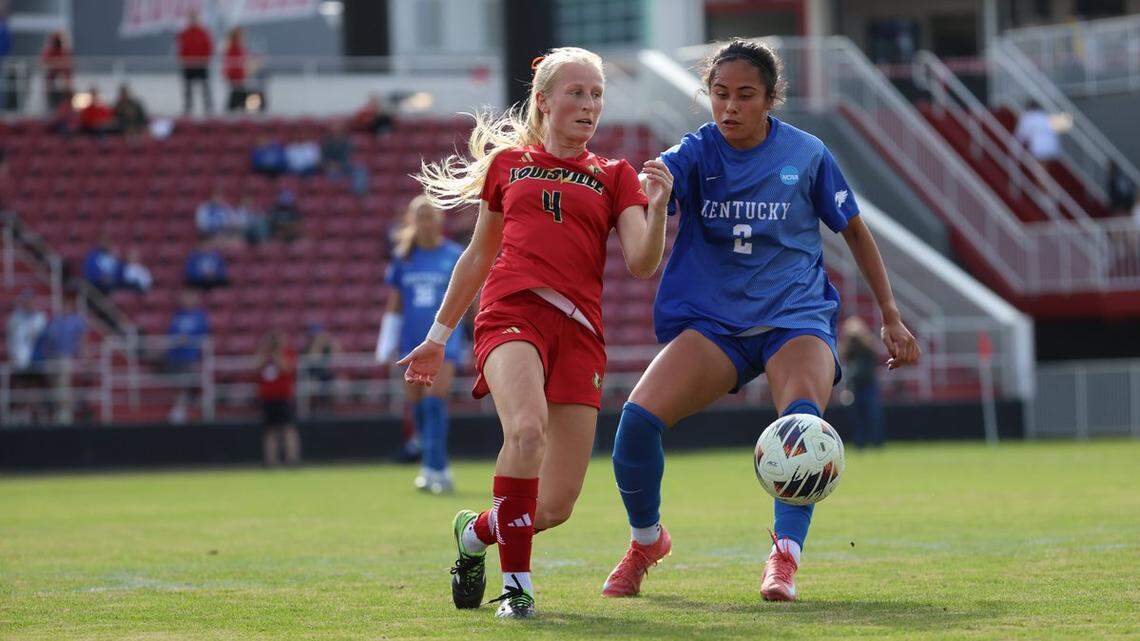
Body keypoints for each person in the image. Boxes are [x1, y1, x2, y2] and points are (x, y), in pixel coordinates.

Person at [598, 39, 921, 603]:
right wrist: (654, 199)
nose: (729, 107)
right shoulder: (692, 155)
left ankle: (784, 558)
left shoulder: (808, 154)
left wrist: (890, 315)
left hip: (793, 318)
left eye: (745, 95)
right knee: (636, 424)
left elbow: (856, 232)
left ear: (771, 98)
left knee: (801, 429)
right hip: (715, 325)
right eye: (720, 94)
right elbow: (646, 234)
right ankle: (645, 542)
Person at [399, 47, 670, 618]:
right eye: (577, 92)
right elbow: (477, 255)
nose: (589, 104)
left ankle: (473, 534)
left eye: (597, 95)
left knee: (553, 507)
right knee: (526, 431)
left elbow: (642, 263)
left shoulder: (617, 175)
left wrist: (661, 205)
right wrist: (438, 334)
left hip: (579, 332)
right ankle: (517, 590)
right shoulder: (508, 164)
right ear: (543, 101)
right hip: (510, 311)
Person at [376, 195, 467, 494]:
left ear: (439, 220)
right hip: (410, 341)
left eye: (430, 214)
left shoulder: (454, 255)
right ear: (412, 221)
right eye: (420, 215)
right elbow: (394, 305)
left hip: (444, 342)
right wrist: (385, 344)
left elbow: (470, 300)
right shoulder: (403, 260)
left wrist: (479, 336)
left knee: (435, 401)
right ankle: (429, 466)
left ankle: (439, 469)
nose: (426, 221)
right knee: (416, 407)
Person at [255, 329, 301, 467]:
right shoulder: (263, 354)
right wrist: (266, 354)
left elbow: (287, 369)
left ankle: (292, 460)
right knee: (270, 431)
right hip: (268, 397)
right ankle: (271, 461)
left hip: (284, 397)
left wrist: (276, 355)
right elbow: (256, 368)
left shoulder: (288, 352)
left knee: (288, 428)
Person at [164, 289, 209, 424]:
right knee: (177, 381)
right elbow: (171, 333)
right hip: (176, 354)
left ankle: (190, 406)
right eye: (186, 297)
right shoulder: (177, 315)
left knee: (188, 379)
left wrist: (189, 340)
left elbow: (203, 334)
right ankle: (179, 408)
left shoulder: (200, 316)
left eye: (191, 297)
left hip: (191, 355)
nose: (187, 300)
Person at [840, 316, 884, 448]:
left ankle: (877, 442)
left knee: (873, 416)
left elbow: (875, 354)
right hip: (855, 387)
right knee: (857, 418)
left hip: (868, 386)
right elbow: (846, 364)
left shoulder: (868, 347)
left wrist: (863, 338)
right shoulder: (849, 350)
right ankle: (859, 443)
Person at [177, 9, 213, 115]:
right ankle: (188, 108)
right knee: (188, 89)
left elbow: (208, 47)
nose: (193, 20)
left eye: (194, 17)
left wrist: (206, 59)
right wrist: (183, 59)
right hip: (188, 65)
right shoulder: (184, 33)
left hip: (201, 64)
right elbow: (181, 48)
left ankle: (208, 107)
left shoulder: (203, 32)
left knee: (205, 87)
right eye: (191, 17)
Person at [40, 31, 72, 110]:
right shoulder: (49, 51)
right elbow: (43, 62)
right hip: (52, 79)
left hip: (63, 80)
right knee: (51, 93)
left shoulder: (65, 51)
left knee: (65, 92)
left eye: (58, 41)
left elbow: (68, 63)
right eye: (56, 41)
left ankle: (65, 108)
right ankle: (52, 107)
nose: (57, 43)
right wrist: (55, 64)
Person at [223, 27, 249, 112]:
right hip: (235, 74)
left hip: (239, 74)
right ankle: (233, 111)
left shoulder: (239, 47)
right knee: (237, 94)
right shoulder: (233, 48)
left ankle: (234, 110)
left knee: (238, 94)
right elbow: (231, 62)